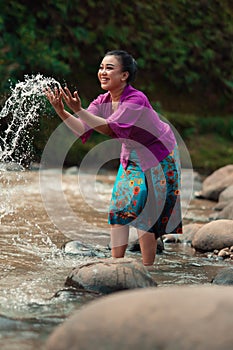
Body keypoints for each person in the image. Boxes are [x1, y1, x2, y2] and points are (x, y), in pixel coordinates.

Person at [45, 50, 182, 267]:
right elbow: (82, 128)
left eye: (109, 68)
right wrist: (62, 111)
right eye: (101, 67)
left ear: (125, 75)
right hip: (132, 154)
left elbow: (110, 130)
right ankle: (115, 264)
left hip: (158, 154)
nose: (102, 72)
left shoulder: (136, 99)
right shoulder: (103, 100)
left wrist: (79, 109)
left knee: (145, 212)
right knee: (120, 207)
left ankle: (148, 270)